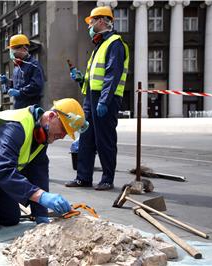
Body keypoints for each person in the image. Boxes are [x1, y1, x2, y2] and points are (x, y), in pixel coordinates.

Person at [0, 98, 89, 234]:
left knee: (11, 218)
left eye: (67, 133)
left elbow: (39, 175)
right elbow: (5, 172)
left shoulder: (42, 135)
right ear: (51, 117)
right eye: (63, 129)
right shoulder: (15, 127)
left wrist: (41, 215)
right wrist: (41, 196)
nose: (62, 136)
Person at [65, 6, 129, 191]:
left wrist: (104, 101)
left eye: (92, 21)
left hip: (105, 99)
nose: (90, 26)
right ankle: (83, 177)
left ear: (101, 21)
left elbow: (112, 75)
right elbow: (95, 78)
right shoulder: (99, 46)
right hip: (92, 97)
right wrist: (81, 79)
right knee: (86, 138)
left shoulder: (115, 43)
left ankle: (107, 179)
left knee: (105, 139)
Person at [0, 34, 44, 109]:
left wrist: (20, 92)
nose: (11, 52)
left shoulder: (34, 65)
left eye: (13, 49)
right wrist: (7, 82)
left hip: (30, 108)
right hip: (18, 108)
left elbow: (36, 86)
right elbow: (17, 86)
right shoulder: (17, 67)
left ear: (23, 48)